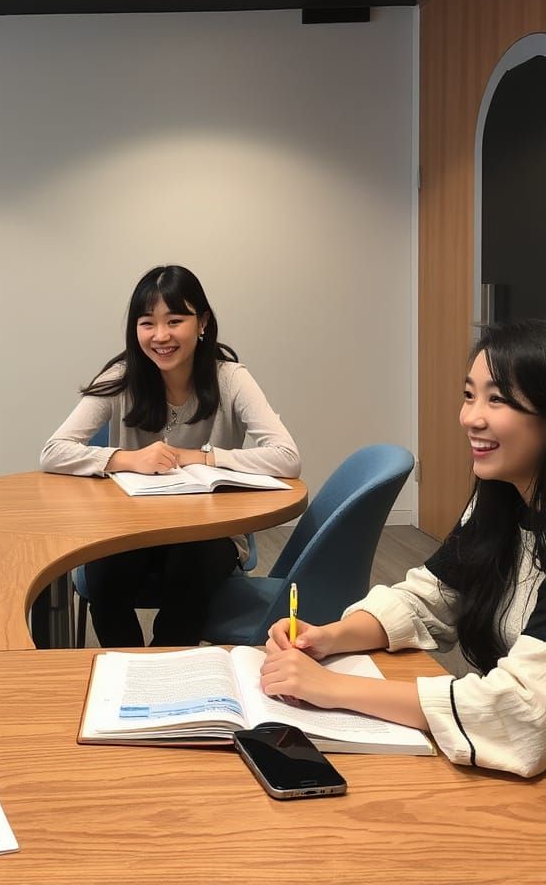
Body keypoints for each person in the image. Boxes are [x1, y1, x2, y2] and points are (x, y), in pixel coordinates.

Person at [262, 319, 546, 778]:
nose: (470, 417)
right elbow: (431, 596)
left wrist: (331, 688)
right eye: (469, 395)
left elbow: (523, 713)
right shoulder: (501, 503)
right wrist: (331, 636)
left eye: (497, 399)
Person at [40, 265, 300, 647]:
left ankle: (169, 672)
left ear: (202, 323)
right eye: (148, 323)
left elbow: (286, 457)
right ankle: (128, 666)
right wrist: (128, 459)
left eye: (175, 320)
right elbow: (52, 452)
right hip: (132, 528)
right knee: (104, 574)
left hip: (209, 533)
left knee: (189, 571)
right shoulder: (122, 377)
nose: (160, 336)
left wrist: (200, 457)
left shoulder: (230, 378)